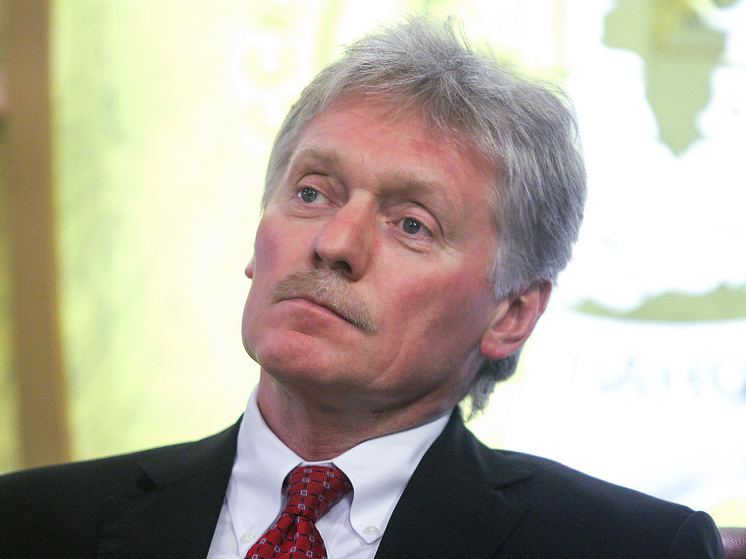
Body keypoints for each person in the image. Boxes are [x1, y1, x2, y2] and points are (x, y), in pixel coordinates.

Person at [0, 16, 725, 559]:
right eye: (312, 192)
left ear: (511, 313)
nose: (335, 243)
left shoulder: (626, 546)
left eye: (411, 224)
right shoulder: (30, 525)